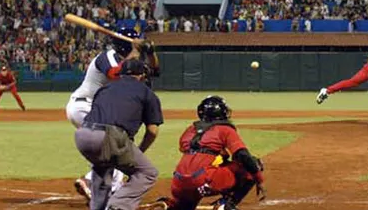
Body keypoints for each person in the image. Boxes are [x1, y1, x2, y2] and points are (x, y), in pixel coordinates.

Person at [148, 96, 266, 210]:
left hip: (178, 183)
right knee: (251, 164)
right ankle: (226, 205)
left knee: (185, 205)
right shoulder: (225, 129)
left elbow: (193, 153)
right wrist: (259, 179)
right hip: (203, 182)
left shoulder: (190, 130)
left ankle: (170, 205)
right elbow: (243, 156)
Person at [67, 27, 145, 202]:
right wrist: (135, 50)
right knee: (117, 145)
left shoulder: (127, 60)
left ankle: (97, 184)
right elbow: (115, 73)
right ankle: (93, 182)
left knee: (111, 149)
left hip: (94, 110)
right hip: (84, 106)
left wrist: (147, 52)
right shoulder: (107, 57)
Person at [74, 59, 163, 210]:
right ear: (142, 76)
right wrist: (140, 150)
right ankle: (118, 206)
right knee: (147, 172)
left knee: (102, 167)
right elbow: (152, 131)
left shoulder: (106, 87)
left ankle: (98, 207)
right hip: (108, 136)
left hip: (82, 134)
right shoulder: (147, 93)